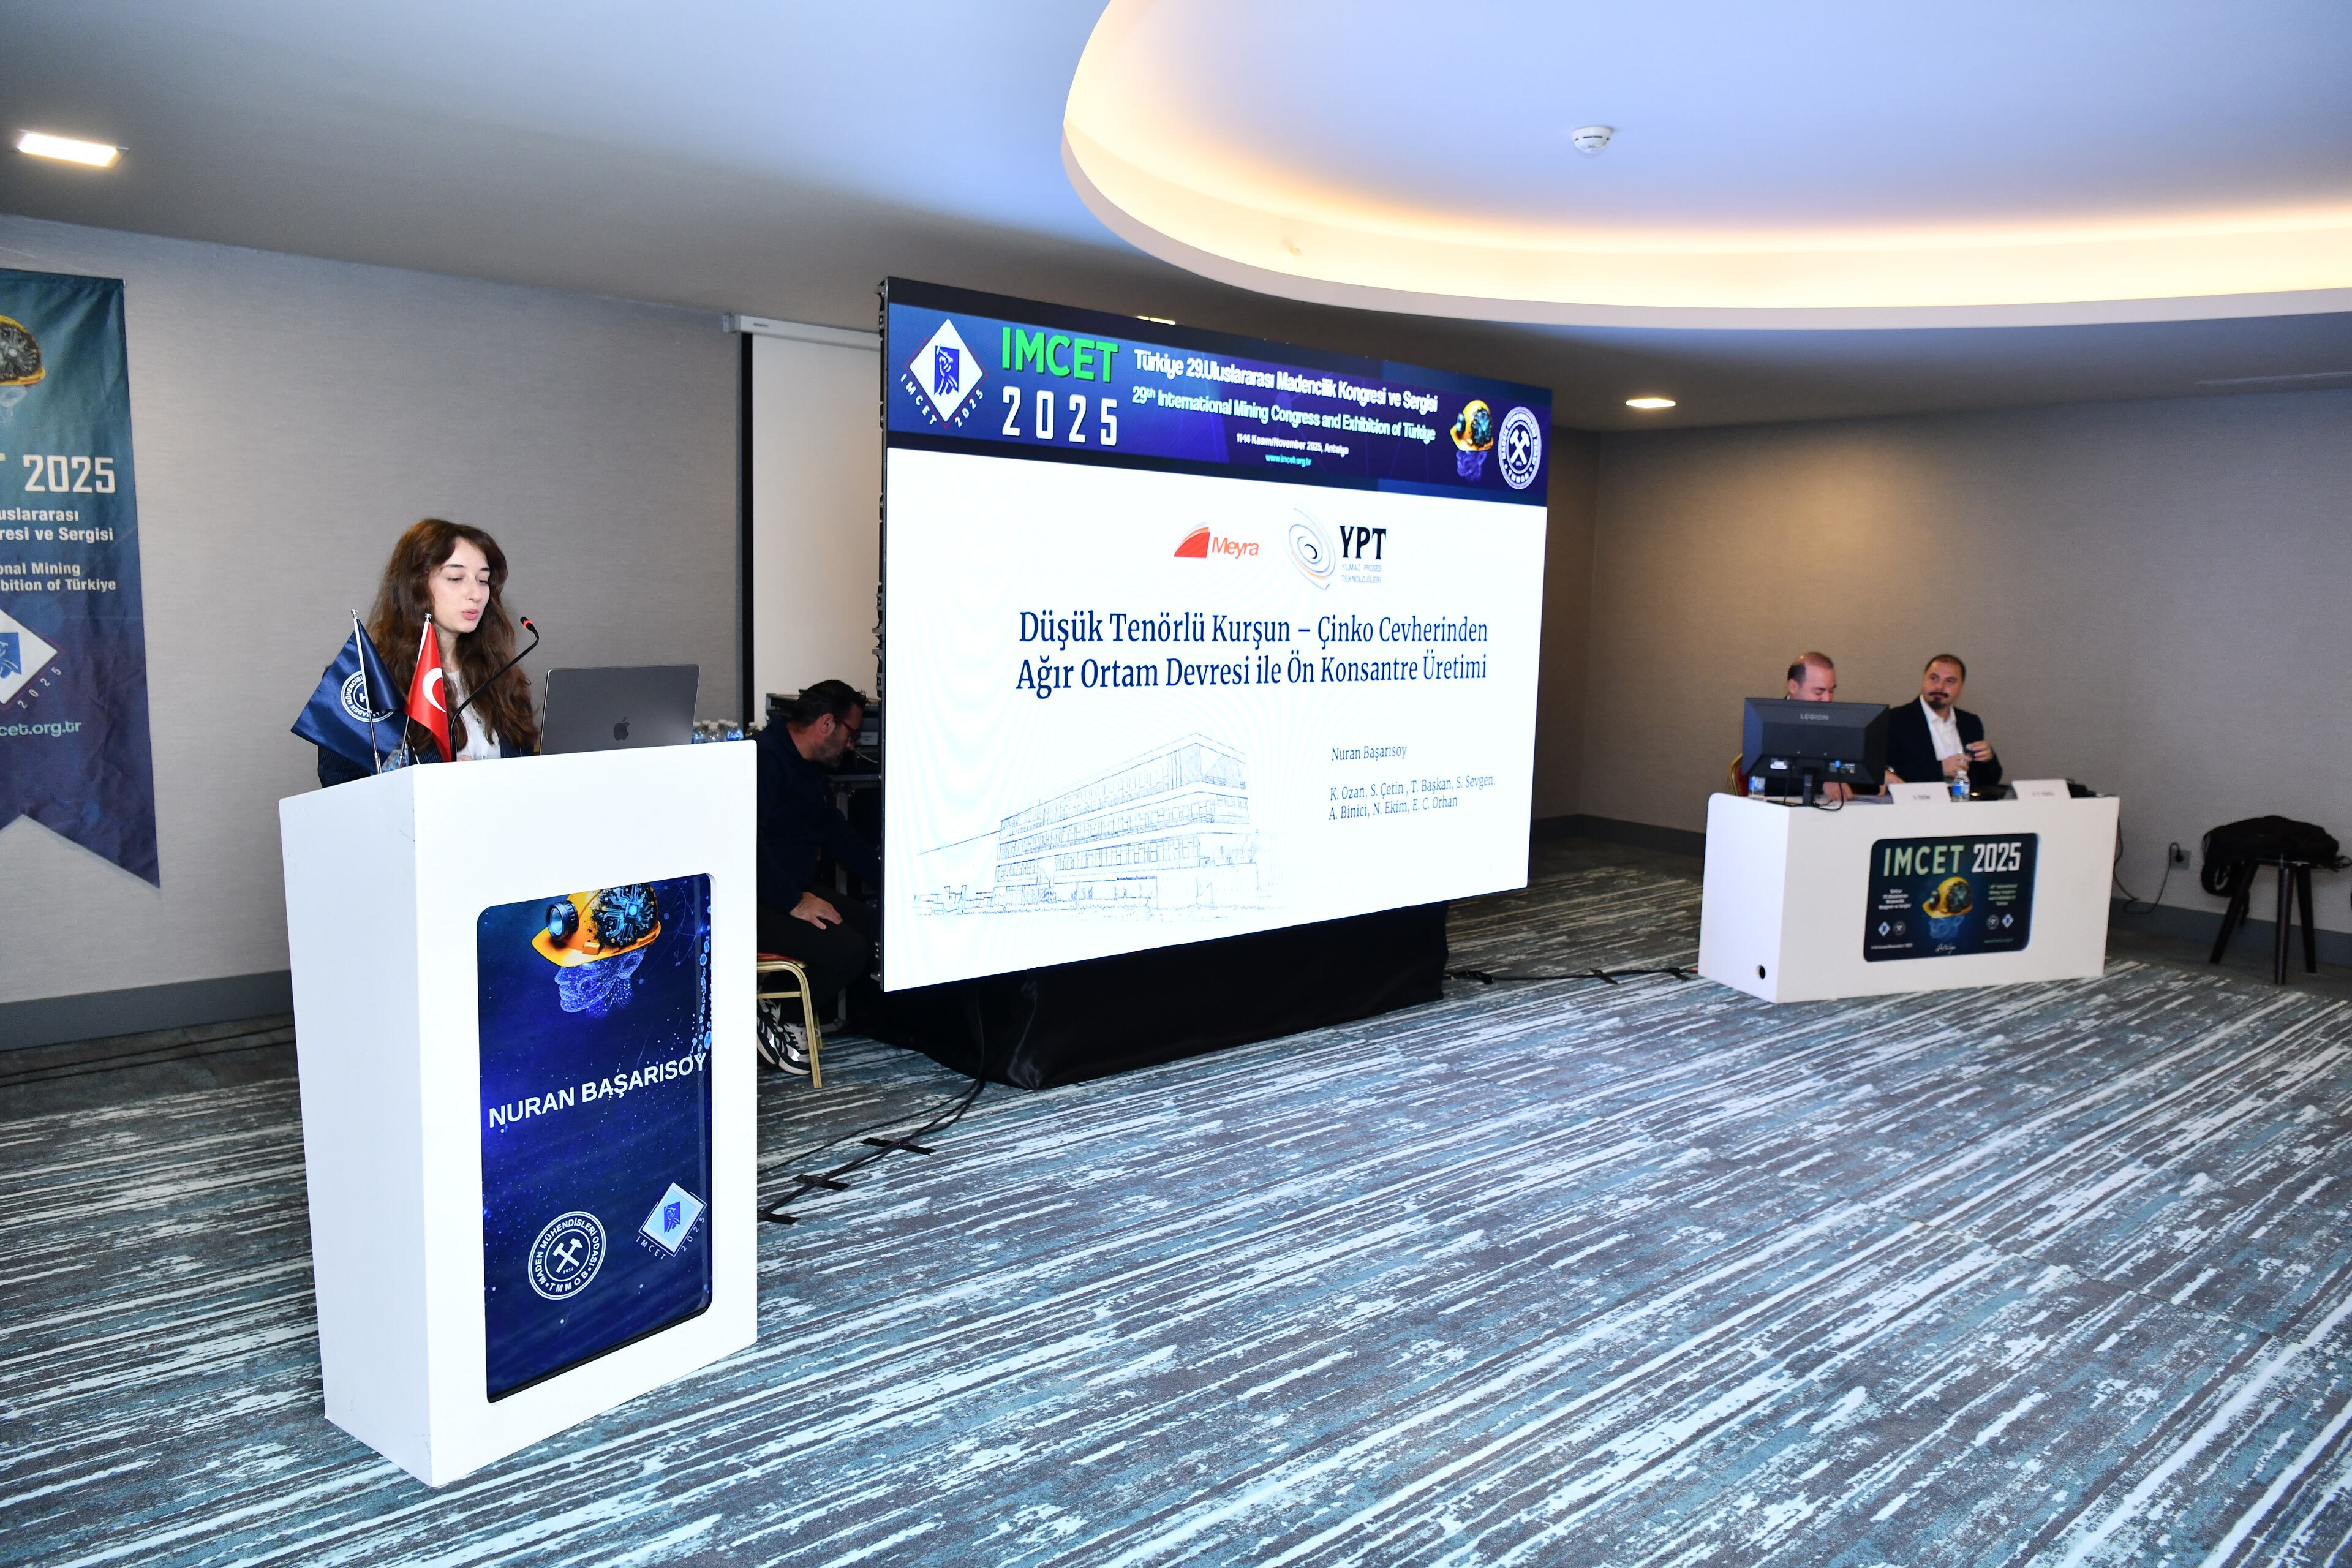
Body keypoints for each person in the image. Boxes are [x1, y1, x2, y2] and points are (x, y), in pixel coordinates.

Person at [315, 519, 538, 787]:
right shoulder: (363, 680)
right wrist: (437, 785)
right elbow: (341, 788)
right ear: (415, 585)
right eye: (455, 578)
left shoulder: (501, 675)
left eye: (483, 580)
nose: (476, 594)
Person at [755, 680, 880, 1074]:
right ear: (827, 724)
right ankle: (778, 1013)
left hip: (794, 890)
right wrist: (794, 902)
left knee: (877, 928)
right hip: (759, 899)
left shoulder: (810, 769)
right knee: (848, 950)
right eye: (851, 734)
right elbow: (744, 843)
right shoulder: (763, 759)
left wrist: (889, 877)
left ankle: (780, 1005)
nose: (852, 745)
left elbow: (835, 833)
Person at [1727, 651, 1861, 801]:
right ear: (1793, 686)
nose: (1827, 699)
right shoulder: (1768, 723)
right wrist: (1821, 784)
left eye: (1831, 691)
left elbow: (1851, 768)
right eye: (1819, 692)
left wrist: (1875, 780)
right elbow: (1769, 777)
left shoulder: (1837, 723)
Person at [1885, 652, 2002, 796]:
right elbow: (1885, 773)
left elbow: (1989, 780)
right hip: (1914, 804)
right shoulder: (1894, 720)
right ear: (1924, 679)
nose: (1940, 687)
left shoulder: (1970, 722)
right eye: (1934, 678)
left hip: (1964, 803)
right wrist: (1939, 769)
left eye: (1950, 681)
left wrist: (1988, 759)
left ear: (1961, 687)